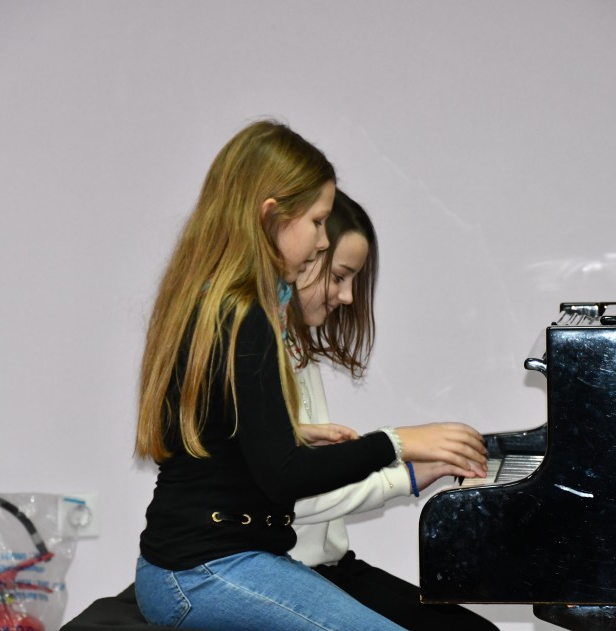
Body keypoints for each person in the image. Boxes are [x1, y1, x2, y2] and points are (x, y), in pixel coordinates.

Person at [133, 119, 489, 631]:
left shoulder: (218, 301)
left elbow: (213, 433)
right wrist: (397, 442)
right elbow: (285, 479)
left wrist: (289, 434)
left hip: (191, 566)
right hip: (204, 571)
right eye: (318, 222)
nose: (323, 241)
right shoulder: (244, 314)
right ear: (271, 215)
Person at [288, 190, 499, 631]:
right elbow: (295, 494)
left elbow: (314, 477)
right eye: (339, 277)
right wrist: (400, 465)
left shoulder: (297, 351)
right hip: (287, 571)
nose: (348, 296)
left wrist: (416, 469)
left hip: (329, 564)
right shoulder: (259, 354)